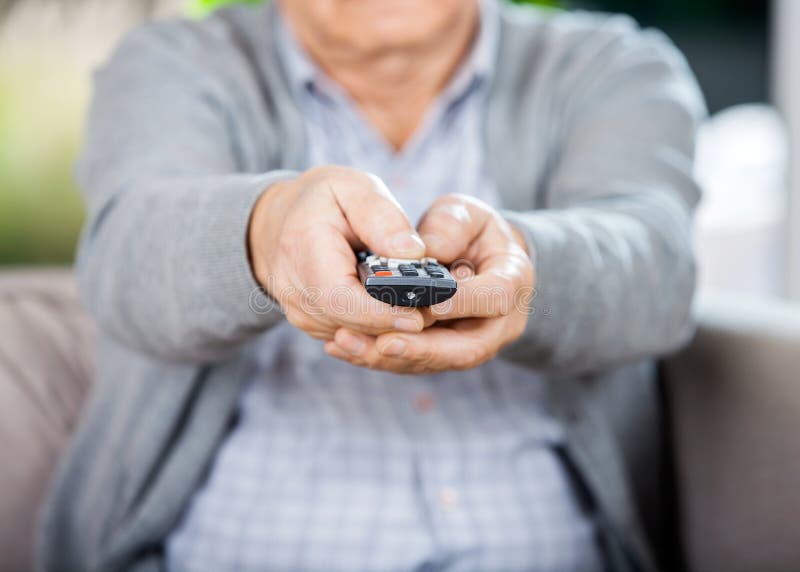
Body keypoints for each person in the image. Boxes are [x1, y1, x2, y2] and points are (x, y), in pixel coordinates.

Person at [39, 0, 704, 570]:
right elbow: (126, 258)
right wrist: (265, 235)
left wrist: (527, 265)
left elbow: (658, 269)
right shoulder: (171, 64)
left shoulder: (614, 67)